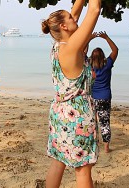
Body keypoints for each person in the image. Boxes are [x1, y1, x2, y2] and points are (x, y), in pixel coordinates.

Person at [41, 0, 101, 187]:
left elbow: (74, 15)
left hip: (60, 113)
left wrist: (79, 2)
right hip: (78, 115)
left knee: (58, 161)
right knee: (82, 169)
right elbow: (95, 9)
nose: (74, 17)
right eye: (69, 17)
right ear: (63, 26)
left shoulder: (58, 46)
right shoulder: (72, 48)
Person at [89, 31, 118, 153]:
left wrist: (89, 39)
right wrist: (106, 37)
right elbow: (115, 50)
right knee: (105, 122)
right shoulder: (107, 64)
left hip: (92, 98)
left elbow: (81, 52)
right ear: (103, 56)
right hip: (105, 97)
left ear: (92, 57)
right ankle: (106, 147)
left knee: (92, 121)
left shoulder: (89, 64)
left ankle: (93, 145)